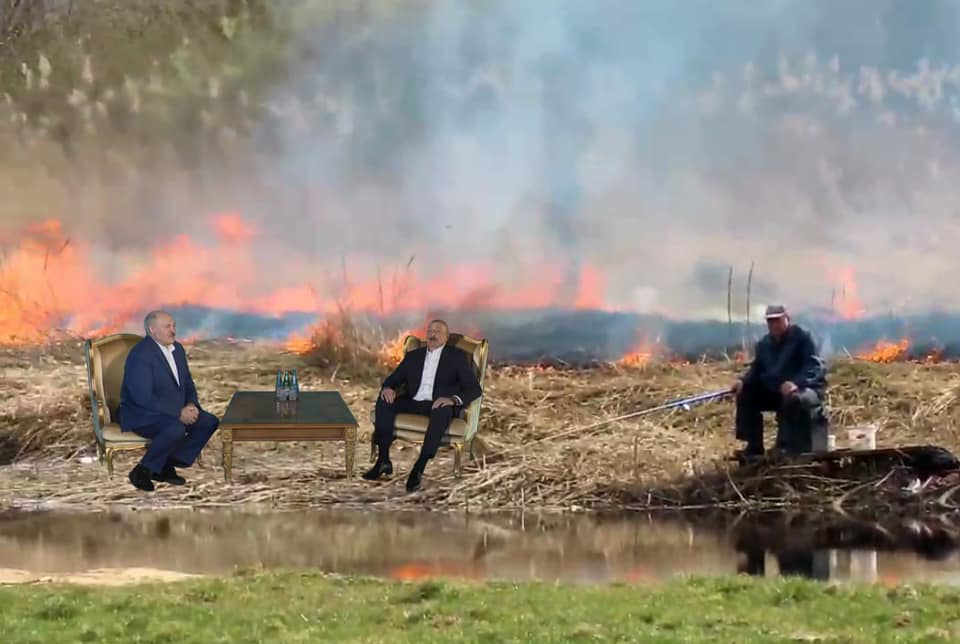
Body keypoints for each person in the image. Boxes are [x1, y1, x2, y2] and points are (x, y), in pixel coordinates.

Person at [364, 319, 483, 492]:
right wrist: (388, 388)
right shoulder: (414, 356)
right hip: (413, 401)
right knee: (384, 401)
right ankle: (383, 461)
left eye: (438, 332)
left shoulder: (456, 357)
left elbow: (474, 389)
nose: (433, 334)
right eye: (431, 331)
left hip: (438, 404)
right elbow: (393, 379)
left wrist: (453, 400)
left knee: (442, 411)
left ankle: (419, 467)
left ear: (446, 337)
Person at [118, 310, 220, 491]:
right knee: (175, 428)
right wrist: (177, 413)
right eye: (167, 327)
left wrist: (191, 404)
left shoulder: (178, 350)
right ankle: (142, 471)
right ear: (152, 330)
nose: (173, 330)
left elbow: (187, 382)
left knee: (209, 421)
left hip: (174, 410)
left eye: (174, 326)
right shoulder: (141, 355)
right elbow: (143, 397)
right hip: (143, 414)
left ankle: (166, 462)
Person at [730, 304, 828, 458]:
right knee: (746, 393)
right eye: (770, 322)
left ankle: (784, 446)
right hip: (776, 393)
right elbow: (757, 369)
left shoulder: (803, 338)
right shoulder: (764, 344)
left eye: (778, 320)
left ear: (787, 319)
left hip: (806, 389)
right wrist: (743, 381)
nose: (774, 325)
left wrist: (796, 383)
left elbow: (815, 365)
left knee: (793, 399)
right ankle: (754, 447)